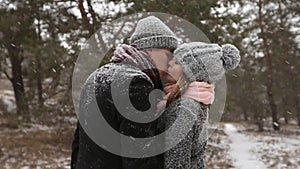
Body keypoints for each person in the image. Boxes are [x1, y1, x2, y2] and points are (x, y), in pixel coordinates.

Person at [70, 16, 215, 169]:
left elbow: (78, 143)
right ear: (151, 49)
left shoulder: (97, 75)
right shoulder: (135, 83)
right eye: (168, 55)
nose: (169, 62)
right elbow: (140, 157)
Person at [157, 42, 241, 169]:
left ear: (191, 72)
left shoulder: (184, 109)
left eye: (177, 62)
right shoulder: (196, 102)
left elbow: (177, 163)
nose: (170, 63)